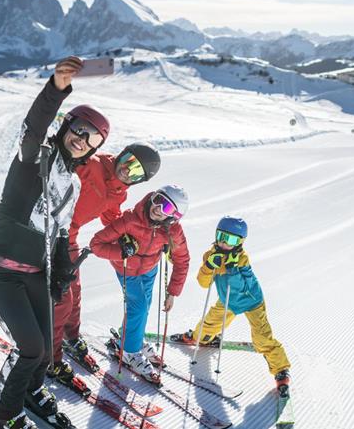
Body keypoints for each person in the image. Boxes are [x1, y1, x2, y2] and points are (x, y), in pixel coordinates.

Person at [0, 56, 110, 429]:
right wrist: (56, 89)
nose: (83, 141)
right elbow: (33, 128)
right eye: (80, 130)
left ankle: (31, 390)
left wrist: (62, 267)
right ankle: (2, 412)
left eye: (93, 139)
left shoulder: (73, 182)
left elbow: (60, 231)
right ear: (67, 126)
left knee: (46, 349)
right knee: (29, 348)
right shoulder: (37, 157)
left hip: (34, 271)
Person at [49, 143, 162, 384]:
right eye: (128, 162)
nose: (127, 171)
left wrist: (131, 236)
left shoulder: (120, 192)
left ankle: (71, 337)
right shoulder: (93, 165)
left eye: (136, 173)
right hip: (47, 233)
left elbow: (110, 216)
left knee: (75, 293)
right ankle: (51, 356)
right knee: (61, 299)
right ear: (122, 154)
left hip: (69, 238)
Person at [174, 216, 292, 398]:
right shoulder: (211, 255)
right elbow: (203, 283)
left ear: (240, 242)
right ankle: (200, 338)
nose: (223, 242)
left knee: (262, 337)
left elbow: (240, 288)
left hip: (251, 301)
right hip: (227, 300)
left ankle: (281, 369)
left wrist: (232, 269)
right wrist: (208, 266)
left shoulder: (242, 259)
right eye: (221, 236)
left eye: (230, 240)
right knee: (209, 324)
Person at [89, 185, 191, 383]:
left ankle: (130, 337)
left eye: (167, 208)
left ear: (174, 217)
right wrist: (121, 252)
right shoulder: (130, 220)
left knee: (144, 308)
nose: (158, 208)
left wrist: (172, 292)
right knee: (139, 307)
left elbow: (182, 260)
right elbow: (96, 244)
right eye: (158, 199)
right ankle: (130, 352)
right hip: (127, 269)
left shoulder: (173, 231)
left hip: (150, 270)